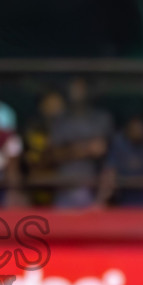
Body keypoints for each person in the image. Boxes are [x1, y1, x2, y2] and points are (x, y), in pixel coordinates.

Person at [48, 76, 113, 208]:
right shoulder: (61, 120)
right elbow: (53, 155)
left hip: (92, 191)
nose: (77, 92)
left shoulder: (101, 119)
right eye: (74, 88)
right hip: (65, 190)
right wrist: (86, 149)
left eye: (81, 88)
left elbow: (109, 157)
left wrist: (103, 196)